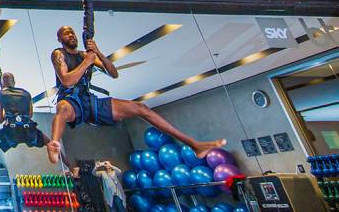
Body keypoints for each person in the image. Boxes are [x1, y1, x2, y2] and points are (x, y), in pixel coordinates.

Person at [47, 26, 225, 164]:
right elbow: (67, 80)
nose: (71, 35)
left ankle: (194, 144)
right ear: (59, 39)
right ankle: (55, 144)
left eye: (72, 32)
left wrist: (98, 52)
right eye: (66, 33)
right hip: (71, 98)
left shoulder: (86, 55)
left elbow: (114, 73)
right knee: (62, 108)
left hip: (89, 100)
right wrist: (87, 63)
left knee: (140, 107)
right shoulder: (58, 54)